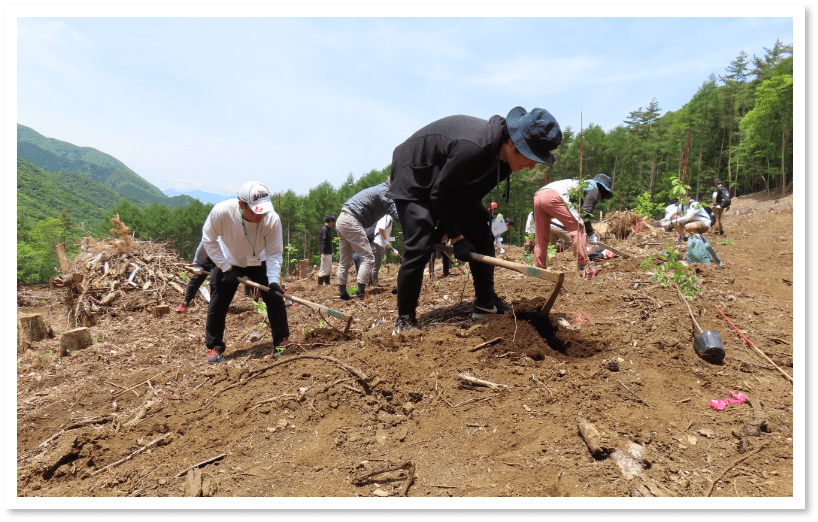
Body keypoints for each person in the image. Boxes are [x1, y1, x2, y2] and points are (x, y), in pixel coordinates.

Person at [387, 106, 563, 333]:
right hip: (415, 171)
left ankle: (485, 303)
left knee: (482, 227)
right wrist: (457, 237)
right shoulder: (474, 148)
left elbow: (467, 198)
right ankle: (405, 318)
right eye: (531, 158)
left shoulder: (504, 165)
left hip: (444, 183)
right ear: (512, 144)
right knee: (419, 243)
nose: (531, 166)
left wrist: (448, 227)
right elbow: (440, 195)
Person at [201, 181, 291, 364]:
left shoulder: (271, 219)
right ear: (241, 204)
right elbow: (208, 240)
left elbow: (274, 252)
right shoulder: (222, 212)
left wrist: (273, 280)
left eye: (263, 211)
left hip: (260, 260)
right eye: (255, 211)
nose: (261, 215)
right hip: (229, 261)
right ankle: (215, 347)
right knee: (218, 303)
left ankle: (281, 340)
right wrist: (225, 268)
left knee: (275, 298)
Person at [533, 173, 613, 278]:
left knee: (541, 236)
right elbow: (585, 214)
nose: (599, 197)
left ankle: (539, 267)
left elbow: (580, 212)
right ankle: (584, 264)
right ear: (602, 190)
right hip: (554, 196)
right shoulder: (594, 188)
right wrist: (590, 234)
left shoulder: (582, 186)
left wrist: (589, 233)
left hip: (538, 196)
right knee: (578, 228)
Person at [336, 181, 400, 301]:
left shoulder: (379, 189)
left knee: (345, 261)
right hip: (352, 220)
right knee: (369, 258)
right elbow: (396, 215)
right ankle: (360, 292)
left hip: (342, 218)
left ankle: (343, 293)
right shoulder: (385, 191)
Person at [177, 240, 216, 313]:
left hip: (223, 258)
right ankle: (185, 303)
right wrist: (197, 264)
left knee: (218, 282)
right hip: (208, 255)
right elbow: (203, 246)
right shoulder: (212, 231)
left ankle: (220, 306)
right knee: (197, 278)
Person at [317, 214, 335, 286]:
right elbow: (323, 241)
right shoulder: (324, 229)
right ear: (330, 221)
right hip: (326, 252)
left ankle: (327, 282)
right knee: (324, 267)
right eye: (333, 222)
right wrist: (323, 252)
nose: (333, 224)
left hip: (328, 252)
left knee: (328, 267)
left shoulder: (327, 229)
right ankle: (320, 283)